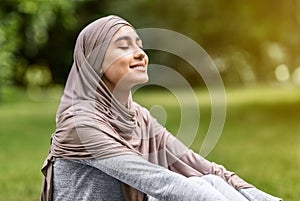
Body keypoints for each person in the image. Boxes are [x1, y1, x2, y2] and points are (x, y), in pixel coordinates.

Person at [40, 15, 282, 201]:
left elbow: (201, 166)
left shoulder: (138, 117)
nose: (140, 55)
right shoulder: (81, 124)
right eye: (124, 47)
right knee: (192, 190)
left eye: (139, 46)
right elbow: (159, 182)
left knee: (207, 180)